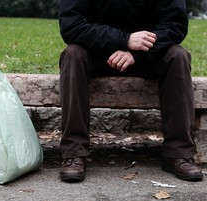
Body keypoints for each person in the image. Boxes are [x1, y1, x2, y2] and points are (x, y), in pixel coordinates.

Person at [58, 0, 204, 182]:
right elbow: (71, 26)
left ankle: (179, 152)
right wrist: (124, 40)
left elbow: (175, 25)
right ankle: (74, 153)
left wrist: (137, 54)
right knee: (72, 55)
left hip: (149, 53)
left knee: (178, 56)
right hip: (97, 52)